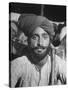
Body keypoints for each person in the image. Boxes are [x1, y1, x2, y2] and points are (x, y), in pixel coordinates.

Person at [10, 14, 66, 87]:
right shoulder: (17, 65)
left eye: (45, 37)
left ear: (50, 41)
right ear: (28, 41)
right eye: (34, 37)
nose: (40, 43)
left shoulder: (58, 63)